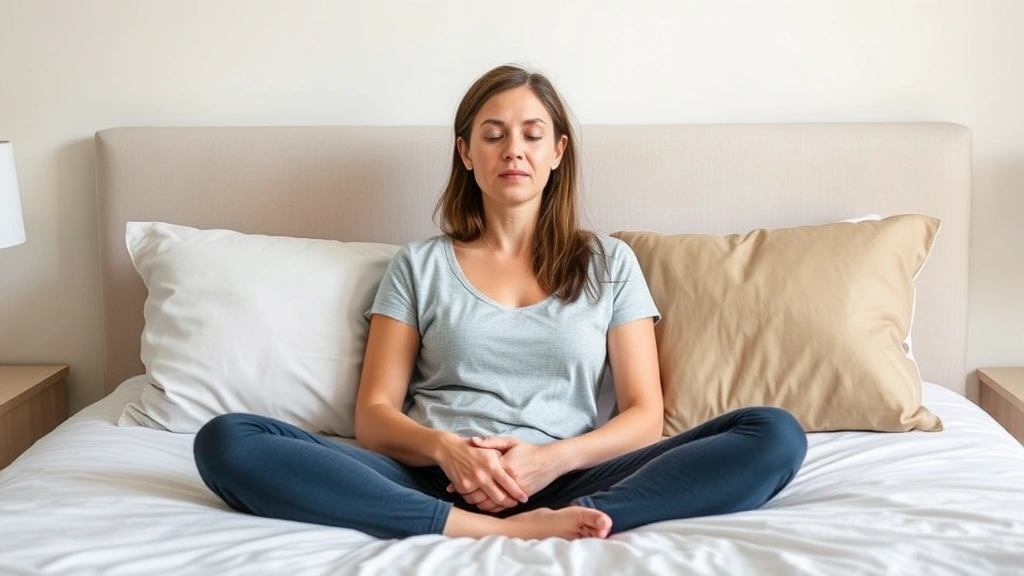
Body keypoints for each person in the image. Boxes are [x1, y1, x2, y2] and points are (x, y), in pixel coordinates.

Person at [193, 64, 808, 541]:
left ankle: (584, 517)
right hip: (429, 478)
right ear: (466, 154)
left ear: (557, 153)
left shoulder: (610, 264)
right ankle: (488, 529)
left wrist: (547, 462)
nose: (513, 149)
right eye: (493, 135)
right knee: (228, 441)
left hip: (568, 476)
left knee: (774, 434)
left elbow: (645, 414)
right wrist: (447, 451)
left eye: (531, 134)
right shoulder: (419, 265)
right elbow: (374, 416)